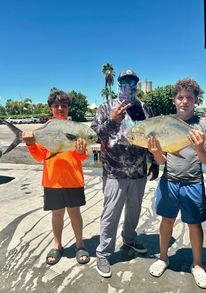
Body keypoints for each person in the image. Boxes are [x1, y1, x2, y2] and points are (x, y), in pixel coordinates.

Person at [147, 78, 206, 289]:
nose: (184, 101)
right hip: (169, 181)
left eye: (189, 98)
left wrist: (200, 149)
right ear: (174, 100)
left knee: (194, 224)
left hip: (193, 182)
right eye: (180, 97)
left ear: (196, 100)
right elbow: (161, 161)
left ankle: (197, 265)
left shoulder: (203, 126)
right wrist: (156, 153)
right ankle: (163, 258)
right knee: (166, 221)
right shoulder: (165, 125)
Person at [91, 69, 158, 277]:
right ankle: (103, 252)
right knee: (110, 214)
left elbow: (152, 137)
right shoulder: (106, 107)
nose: (129, 84)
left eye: (132, 81)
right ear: (119, 84)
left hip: (138, 171)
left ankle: (129, 239)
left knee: (134, 212)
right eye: (125, 81)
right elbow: (94, 135)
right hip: (113, 171)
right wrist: (113, 120)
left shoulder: (144, 108)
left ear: (137, 84)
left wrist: (154, 162)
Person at [22, 90, 90, 265]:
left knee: (75, 213)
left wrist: (82, 151)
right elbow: (39, 157)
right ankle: (57, 245)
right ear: (51, 108)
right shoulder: (44, 130)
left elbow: (82, 157)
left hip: (73, 179)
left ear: (68, 109)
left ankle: (80, 245)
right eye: (57, 106)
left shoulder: (75, 129)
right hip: (52, 180)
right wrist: (31, 145)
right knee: (57, 214)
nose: (61, 108)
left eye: (64, 106)